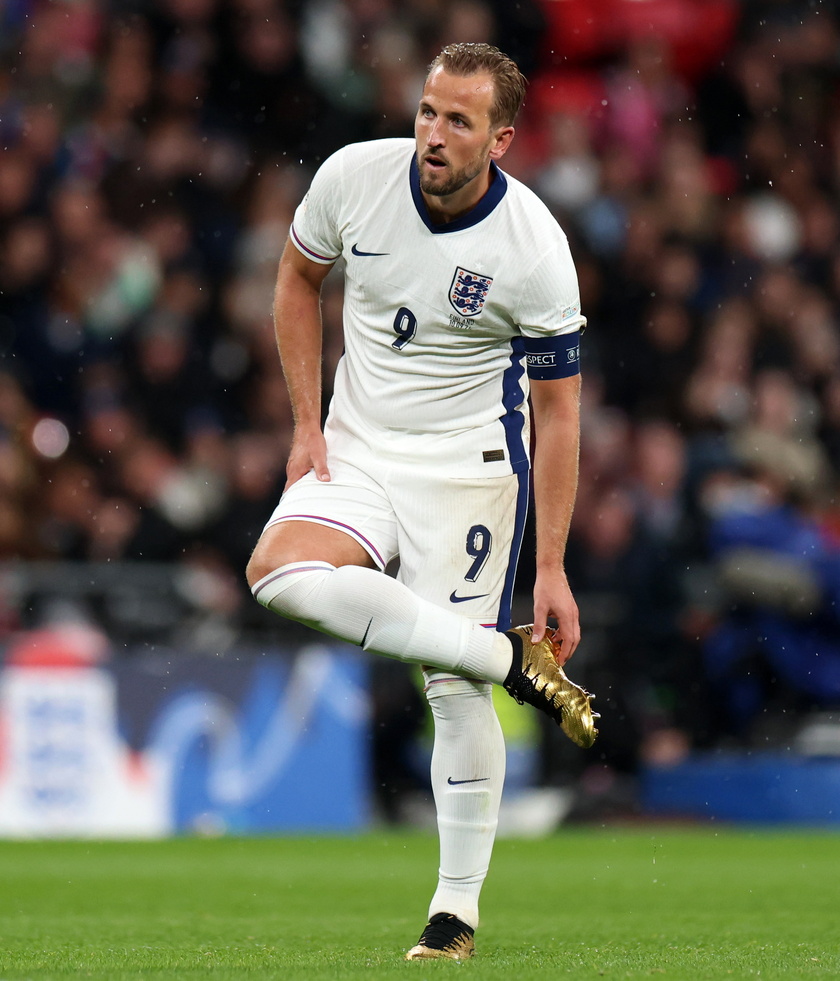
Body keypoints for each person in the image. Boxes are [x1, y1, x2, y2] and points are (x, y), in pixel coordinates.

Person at [245, 42, 598, 961]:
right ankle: (503, 658)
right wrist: (304, 423)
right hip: (357, 447)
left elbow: (560, 414)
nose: (432, 135)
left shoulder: (534, 247)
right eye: (428, 112)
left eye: (458, 121)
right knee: (277, 575)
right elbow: (295, 280)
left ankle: (454, 914)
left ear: (503, 138)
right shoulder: (354, 178)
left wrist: (551, 566)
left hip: (470, 468)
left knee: (450, 686)